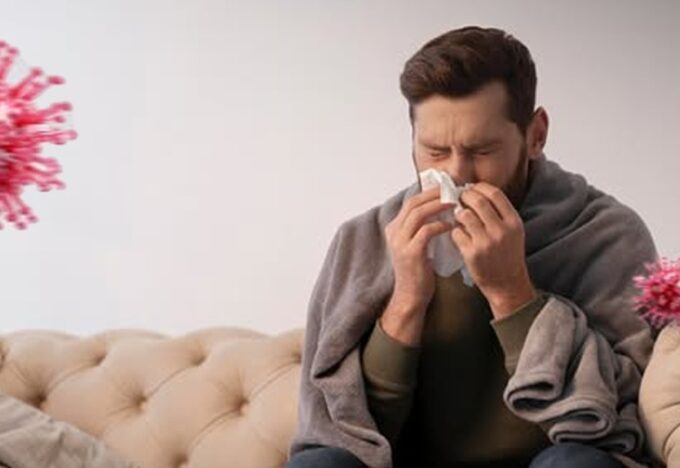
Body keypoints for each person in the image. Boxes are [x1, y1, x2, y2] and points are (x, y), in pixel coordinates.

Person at [286, 26, 657, 468]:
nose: (457, 174)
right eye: (435, 151)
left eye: (482, 150)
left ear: (535, 135)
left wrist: (512, 292)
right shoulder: (362, 241)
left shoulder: (606, 235)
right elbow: (340, 432)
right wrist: (406, 300)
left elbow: (624, 419)